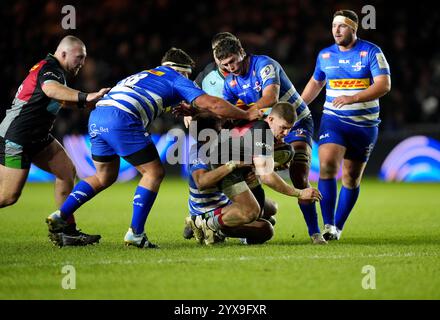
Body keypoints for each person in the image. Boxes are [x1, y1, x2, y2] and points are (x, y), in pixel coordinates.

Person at [45, 47, 262, 248]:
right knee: (154, 172)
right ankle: (135, 233)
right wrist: (246, 114)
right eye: (187, 75)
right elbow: (212, 104)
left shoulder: (146, 74)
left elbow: (151, 98)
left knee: (104, 176)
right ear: (181, 70)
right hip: (122, 118)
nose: (187, 80)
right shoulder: (176, 77)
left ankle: (60, 215)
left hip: (98, 116)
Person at [214, 37, 326, 244]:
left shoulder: (264, 65)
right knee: (249, 170)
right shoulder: (230, 82)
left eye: (233, 61)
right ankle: (245, 221)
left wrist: (240, 114)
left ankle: (315, 233)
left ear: (242, 52)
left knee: (299, 174)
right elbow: (226, 115)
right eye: (225, 65)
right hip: (266, 128)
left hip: (297, 123)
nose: (231, 67)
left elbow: (270, 99)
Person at [0, 35, 109, 245]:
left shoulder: (56, 72)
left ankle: (65, 230)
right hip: (18, 138)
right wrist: (85, 97)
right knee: (7, 197)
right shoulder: (50, 69)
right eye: (79, 57)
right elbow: (51, 89)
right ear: (64, 53)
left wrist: (85, 104)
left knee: (66, 171)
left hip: (38, 137)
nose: (82, 63)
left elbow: (57, 98)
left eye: (84, 58)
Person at [300, 10, 391, 240]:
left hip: (364, 125)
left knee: (351, 177)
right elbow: (316, 82)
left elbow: (384, 85)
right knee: (328, 164)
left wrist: (353, 98)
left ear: (354, 28)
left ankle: (338, 227)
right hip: (334, 119)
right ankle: (328, 224)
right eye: (333, 26)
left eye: (342, 26)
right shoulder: (325, 55)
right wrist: (298, 106)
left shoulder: (371, 51)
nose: (336, 30)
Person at [194, 102, 322, 245]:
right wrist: (299, 193)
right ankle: (207, 223)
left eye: (289, 129)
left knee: (265, 208)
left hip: (241, 167)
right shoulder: (262, 131)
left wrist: (259, 167)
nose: (285, 133)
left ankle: (216, 223)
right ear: (271, 119)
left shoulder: (264, 126)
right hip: (224, 166)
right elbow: (267, 176)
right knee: (250, 211)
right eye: (283, 128)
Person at [185, 114, 274, 245]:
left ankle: (216, 225)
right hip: (207, 209)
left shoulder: (222, 146)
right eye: (220, 129)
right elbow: (201, 182)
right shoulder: (200, 152)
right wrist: (233, 164)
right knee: (266, 229)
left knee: (271, 208)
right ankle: (209, 226)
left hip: (226, 203)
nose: (223, 131)